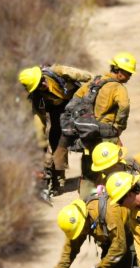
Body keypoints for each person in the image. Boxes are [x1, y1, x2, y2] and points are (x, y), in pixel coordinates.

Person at [54, 52, 135, 185]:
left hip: (87, 130)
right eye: (128, 73)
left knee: (89, 164)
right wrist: (119, 127)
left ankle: (86, 192)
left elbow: (75, 99)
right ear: (119, 71)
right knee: (113, 164)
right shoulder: (118, 88)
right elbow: (124, 106)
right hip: (106, 133)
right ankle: (112, 189)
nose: (130, 76)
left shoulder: (94, 81)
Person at [18, 64, 93, 199]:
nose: (43, 85)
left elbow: (88, 77)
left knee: (89, 133)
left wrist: (95, 89)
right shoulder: (37, 97)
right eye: (39, 86)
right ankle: (58, 179)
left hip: (77, 103)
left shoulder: (59, 71)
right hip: (58, 111)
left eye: (42, 80)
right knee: (57, 139)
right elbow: (39, 123)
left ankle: (94, 172)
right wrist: (42, 147)